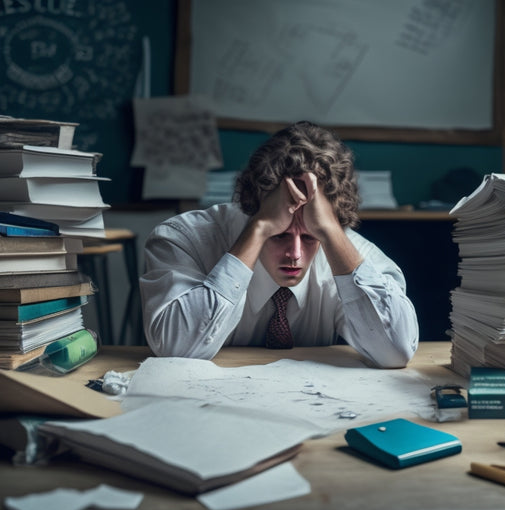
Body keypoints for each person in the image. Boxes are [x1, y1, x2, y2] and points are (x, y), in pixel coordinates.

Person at [140, 121, 418, 368]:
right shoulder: (184, 239)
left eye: (310, 237)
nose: (295, 255)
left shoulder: (350, 251)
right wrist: (259, 229)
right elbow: (176, 350)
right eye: (280, 234)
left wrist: (331, 232)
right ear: (251, 210)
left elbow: (395, 352)